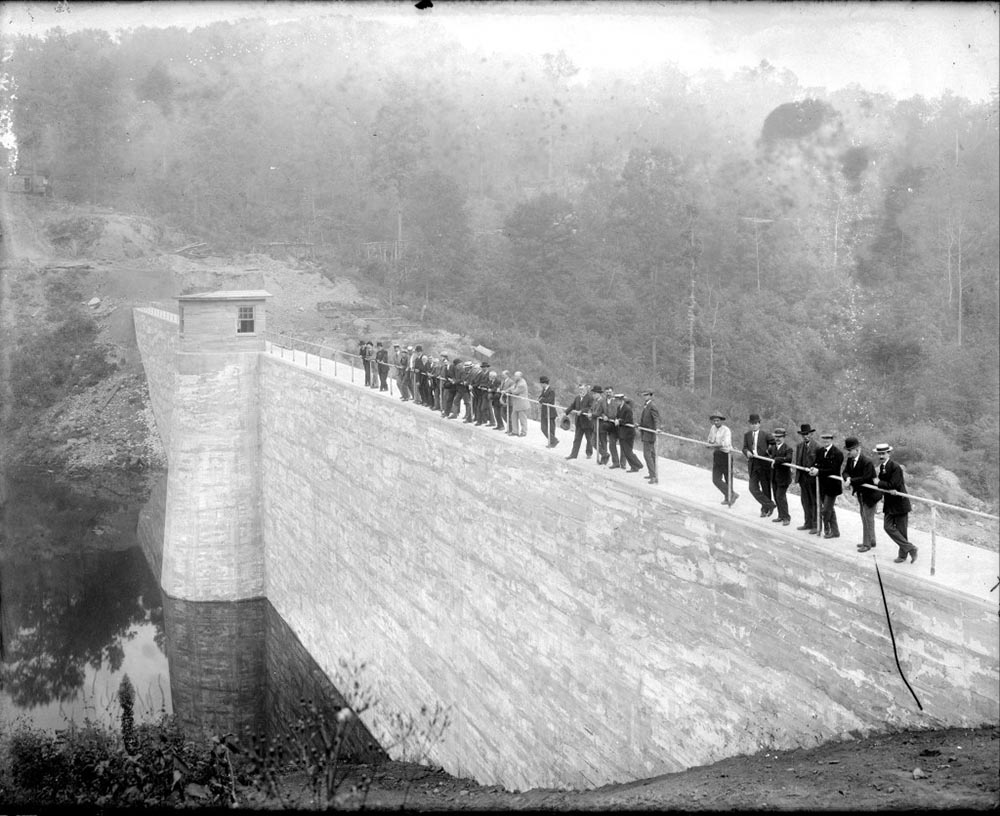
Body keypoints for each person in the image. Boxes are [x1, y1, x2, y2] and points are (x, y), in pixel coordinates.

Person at [874, 443, 918, 564]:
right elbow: (887, 486)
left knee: (902, 531)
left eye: (883, 453)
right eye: (879, 454)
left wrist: (878, 482)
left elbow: (893, 484)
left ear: (889, 453)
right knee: (887, 527)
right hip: (889, 502)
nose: (881, 456)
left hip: (900, 503)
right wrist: (883, 486)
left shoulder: (895, 467)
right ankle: (911, 548)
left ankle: (903, 556)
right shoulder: (882, 467)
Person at [842, 436, 880, 552]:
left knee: (867, 518)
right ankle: (872, 540)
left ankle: (867, 544)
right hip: (861, 493)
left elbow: (866, 477)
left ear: (857, 449)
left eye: (850, 450)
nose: (848, 453)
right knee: (866, 518)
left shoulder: (867, 462)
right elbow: (845, 472)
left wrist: (851, 481)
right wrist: (847, 478)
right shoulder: (850, 460)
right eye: (847, 450)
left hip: (870, 495)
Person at [809, 432, 843, 539]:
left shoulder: (837, 453)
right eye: (824, 439)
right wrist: (813, 468)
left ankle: (827, 528)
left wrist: (818, 471)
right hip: (822, 485)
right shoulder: (820, 451)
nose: (825, 441)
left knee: (826, 510)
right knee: (830, 509)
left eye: (828, 439)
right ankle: (835, 531)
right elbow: (816, 463)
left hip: (832, 486)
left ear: (832, 440)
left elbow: (833, 470)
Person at [742, 413, 775, 517]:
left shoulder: (765, 435)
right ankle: (770, 504)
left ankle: (764, 509)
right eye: (752, 423)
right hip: (753, 464)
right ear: (749, 424)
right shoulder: (747, 435)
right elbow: (744, 447)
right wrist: (747, 452)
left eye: (756, 423)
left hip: (764, 464)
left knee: (766, 488)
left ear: (759, 424)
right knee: (752, 487)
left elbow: (774, 444)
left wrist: (768, 451)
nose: (754, 425)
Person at [707, 412, 737, 505]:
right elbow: (710, 440)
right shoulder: (712, 428)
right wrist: (709, 444)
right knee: (716, 479)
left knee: (728, 478)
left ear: (721, 421)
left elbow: (725, 444)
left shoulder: (726, 430)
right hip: (717, 454)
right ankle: (732, 494)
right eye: (714, 420)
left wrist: (713, 445)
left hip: (726, 455)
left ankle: (728, 497)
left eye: (718, 420)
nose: (716, 422)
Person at [794, 423, 819, 532]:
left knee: (814, 501)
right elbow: (798, 461)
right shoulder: (799, 446)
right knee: (805, 501)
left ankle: (815, 525)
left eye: (807, 434)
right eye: (803, 434)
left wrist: (814, 470)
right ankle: (807, 523)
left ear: (811, 434)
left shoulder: (817, 447)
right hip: (802, 478)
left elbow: (819, 463)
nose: (805, 436)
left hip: (812, 479)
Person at [564, 384, 596, 459]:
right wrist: (565, 412)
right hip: (579, 422)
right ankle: (573, 455)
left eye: (583, 389)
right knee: (577, 439)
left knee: (589, 439)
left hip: (587, 422)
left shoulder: (590, 398)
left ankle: (589, 453)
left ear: (586, 390)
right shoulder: (577, 398)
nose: (581, 391)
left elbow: (590, 407)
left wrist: (581, 411)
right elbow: (572, 406)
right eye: (580, 389)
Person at [768, 427, 793, 525]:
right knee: (776, 496)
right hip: (774, 476)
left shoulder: (788, 448)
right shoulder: (773, 447)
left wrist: (776, 460)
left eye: (780, 437)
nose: (778, 439)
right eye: (776, 437)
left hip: (783, 478)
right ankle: (780, 515)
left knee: (780, 496)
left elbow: (788, 459)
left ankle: (786, 517)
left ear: (784, 437)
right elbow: (769, 454)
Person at [615, 395, 644, 473]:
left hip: (628, 433)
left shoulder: (627, 409)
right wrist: (617, 420)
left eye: (618, 400)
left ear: (622, 400)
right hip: (622, 432)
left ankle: (638, 464)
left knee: (628, 451)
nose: (617, 402)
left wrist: (619, 421)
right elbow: (617, 416)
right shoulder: (619, 408)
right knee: (626, 450)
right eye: (616, 400)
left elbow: (628, 420)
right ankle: (634, 467)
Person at [639, 389, 661, 484]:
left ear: (650, 396)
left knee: (647, 455)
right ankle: (652, 473)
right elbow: (644, 418)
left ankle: (653, 476)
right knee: (651, 455)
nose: (644, 397)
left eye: (646, 395)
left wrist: (657, 428)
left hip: (649, 434)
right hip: (646, 432)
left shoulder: (652, 406)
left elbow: (656, 418)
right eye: (644, 395)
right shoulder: (646, 405)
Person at [595, 386, 620, 468]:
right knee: (607, 443)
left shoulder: (616, 401)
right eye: (607, 392)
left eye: (610, 392)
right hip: (606, 424)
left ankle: (618, 463)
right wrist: (603, 415)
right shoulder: (603, 401)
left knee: (613, 444)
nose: (608, 394)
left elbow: (619, 412)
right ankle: (611, 461)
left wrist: (617, 419)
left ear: (612, 392)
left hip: (615, 425)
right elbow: (600, 411)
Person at [539, 375, 558, 447]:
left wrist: (542, 399)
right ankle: (554, 440)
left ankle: (552, 442)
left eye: (541, 383)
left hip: (550, 412)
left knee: (551, 428)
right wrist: (542, 399)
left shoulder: (551, 391)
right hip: (544, 411)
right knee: (543, 428)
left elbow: (549, 401)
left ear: (544, 383)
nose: (540, 385)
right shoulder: (544, 390)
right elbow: (540, 398)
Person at [509, 371, 529, 436]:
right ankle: (515, 431)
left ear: (520, 376)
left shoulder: (522, 384)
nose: (515, 377)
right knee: (513, 416)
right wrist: (509, 390)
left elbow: (515, 391)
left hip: (522, 404)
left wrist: (511, 390)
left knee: (522, 419)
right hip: (516, 403)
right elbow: (512, 388)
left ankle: (524, 432)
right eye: (514, 376)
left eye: (516, 376)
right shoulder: (517, 382)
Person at [500, 370, 514, 435]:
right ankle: (509, 427)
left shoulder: (511, 382)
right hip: (503, 400)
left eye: (503, 375)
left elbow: (512, 390)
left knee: (509, 415)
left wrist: (506, 391)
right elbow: (501, 388)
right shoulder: (503, 381)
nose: (502, 376)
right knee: (503, 414)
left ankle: (511, 429)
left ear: (507, 375)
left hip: (509, 400)